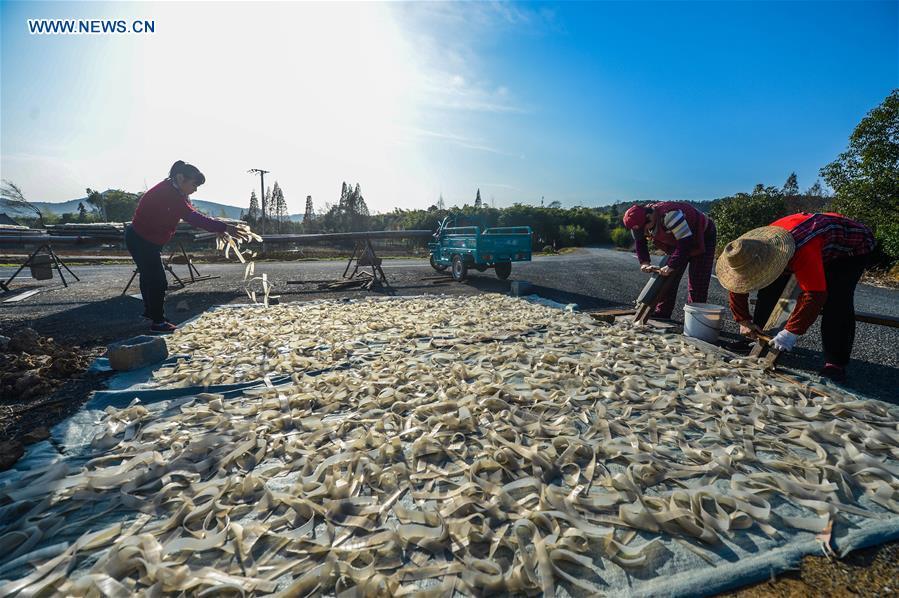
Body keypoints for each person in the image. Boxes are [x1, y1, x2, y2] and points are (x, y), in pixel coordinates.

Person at [715, 212, 875, 382]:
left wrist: (791, 332)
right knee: (770, 289)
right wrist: (743, 320)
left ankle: (835, 363)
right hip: (807, 239)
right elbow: (739, 283)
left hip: (849, 248)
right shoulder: (746, 248)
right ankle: (758, 337)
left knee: (836, 300)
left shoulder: (802, 249)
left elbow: (814, 294)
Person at [125, 160, 247, 333]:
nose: (195, 188)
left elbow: (192, 213)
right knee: (157, 280)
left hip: (145, 238)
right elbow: (193, 217)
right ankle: (158, 322)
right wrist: (224, 227)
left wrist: (218, 227)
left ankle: (150, 313)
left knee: (148, 276)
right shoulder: (169, 194)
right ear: (181, 178)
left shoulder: (175, 191)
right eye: (194, 184)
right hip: (141, 239)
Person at [622, 202, 717, 320]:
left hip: (702, 235)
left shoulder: (670, 215)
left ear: (649, 217)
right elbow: (640, 242)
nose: (644, 231)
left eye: (644, 228)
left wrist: (672, 265)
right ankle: (662, 313)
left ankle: (694, 319)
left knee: (698, 281)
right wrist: (644, 263)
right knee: (666, 277)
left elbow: (685, 243)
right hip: (679, 239)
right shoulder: (638, 223)